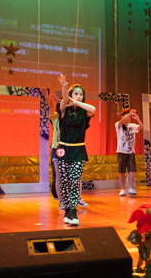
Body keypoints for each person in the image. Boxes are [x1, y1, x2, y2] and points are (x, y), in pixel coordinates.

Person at [56, 75, 96, 226]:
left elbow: (93, 109)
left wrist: (77, 103)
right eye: (76, 94)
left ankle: (73, 212)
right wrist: (64, 87)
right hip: (63, 149)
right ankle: (67, 211)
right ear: (70, 95)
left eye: (81, 94)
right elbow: (63, 103)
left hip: (79, 150)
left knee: (75, 181)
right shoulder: (63, 110)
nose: (78, 96)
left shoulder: (84, 112)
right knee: (65, 182)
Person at [116, 108, 144, 196]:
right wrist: (129, 114)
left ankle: (131, 188)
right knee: (122, 171)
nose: (129, 118)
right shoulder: (118, 125)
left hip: (131, 151)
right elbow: (121, 122)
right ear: (122, 117)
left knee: (131, 170)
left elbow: (142, 127)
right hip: (121, 151)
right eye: (127, 116)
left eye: (130, 117)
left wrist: (138, 119)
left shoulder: (132, 126)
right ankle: (123, 189)